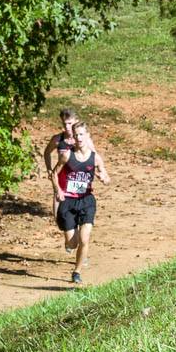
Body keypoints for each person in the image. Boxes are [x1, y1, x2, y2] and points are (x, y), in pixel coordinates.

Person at [51, 121, 109, 284]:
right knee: (73, 243)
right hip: (68, 202)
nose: (79, 138)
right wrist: (58, 190)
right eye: (76, 135)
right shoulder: (67, 155)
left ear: (88, 136)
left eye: (82, 134)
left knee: (85, 239)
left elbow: (105, 175)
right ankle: (69, 241)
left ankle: (77, 271)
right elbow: (54, 173)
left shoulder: (95, 158)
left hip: (86, 201)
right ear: (73, 138)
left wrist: (104, 178)